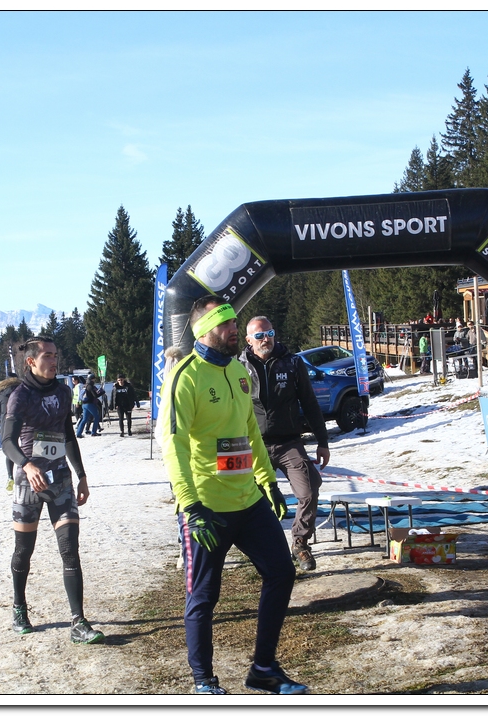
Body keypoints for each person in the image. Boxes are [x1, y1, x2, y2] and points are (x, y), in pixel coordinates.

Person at [160, 295, 304, 695]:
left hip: (248, 500)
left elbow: (250, 431)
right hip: (206, 506)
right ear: (204, 331)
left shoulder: (239, 371)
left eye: (234, 323)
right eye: (225, 324)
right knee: (203, 596)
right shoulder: (185, 376)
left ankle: (264, 668)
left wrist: (267, 481)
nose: (233, 330)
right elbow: (173, 446)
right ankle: (204, 682)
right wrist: (190, 505)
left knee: (281, 571)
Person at [1, 336, 104, 644]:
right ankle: (19, 607)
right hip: (29, 483)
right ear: (31, 361)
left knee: (70, 548)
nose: (54, 360)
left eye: (56, 355)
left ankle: (78, 622)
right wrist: (27, 466)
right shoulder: (19, 396)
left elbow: (69, 436)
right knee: (24, 550)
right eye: (47, 355)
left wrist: (81, 475)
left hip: (60, 480)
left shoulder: (62, 391)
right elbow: (7, 442)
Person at [239, 316, 330, 572]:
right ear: (249, 340)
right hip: (254, 443)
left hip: (289, 442)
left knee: (309, 490)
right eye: (259, 336)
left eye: (269, 333)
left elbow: (309, 402)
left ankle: (300, 543)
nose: (265, 339)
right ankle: (263, 549)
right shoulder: (237, 366)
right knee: (251, 499)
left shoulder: (292, 363)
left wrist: (322, 441)